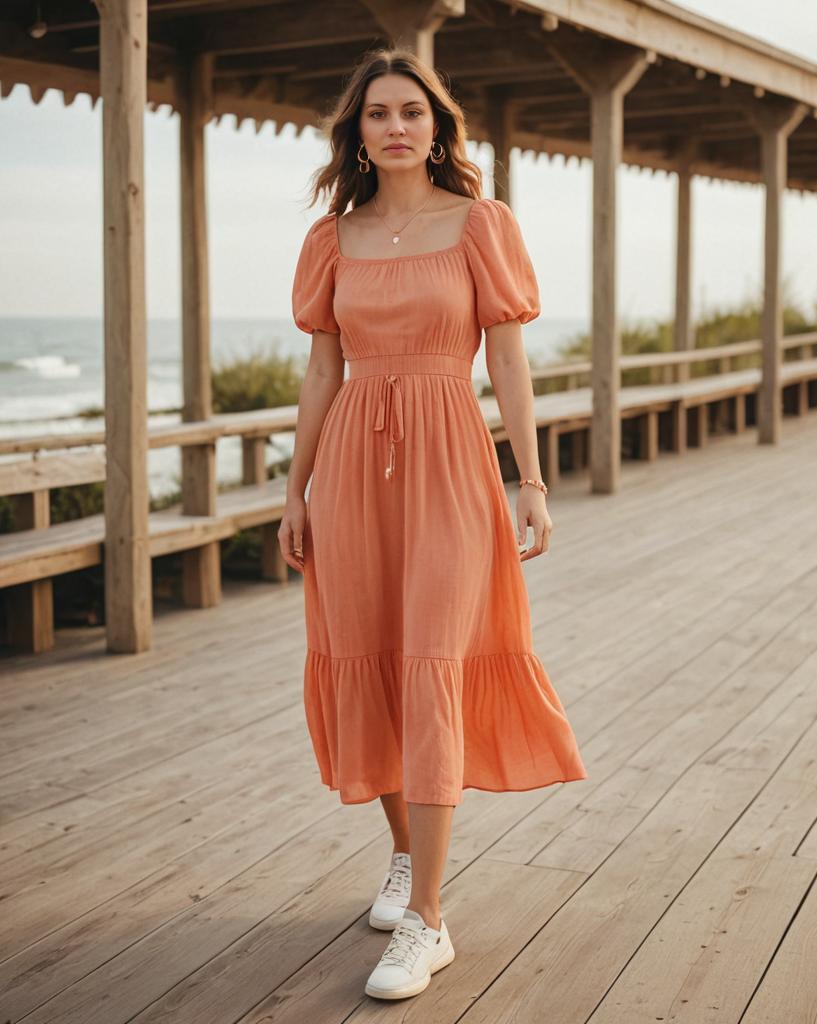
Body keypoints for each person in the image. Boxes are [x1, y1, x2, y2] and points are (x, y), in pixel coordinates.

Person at [278, 46, 588, 1002]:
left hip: (452, 461)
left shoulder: (481, 225)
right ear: (357, 133)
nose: (397, 127)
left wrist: (531, 480)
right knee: (367, 656)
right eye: (377, 114)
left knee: (433, 664)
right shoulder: (334, 238)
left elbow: (508, 364)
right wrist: (294, 490)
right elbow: (324, 375)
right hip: (350, 474)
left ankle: (429, 922)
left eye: (412, 111)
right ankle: (408, 857)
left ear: (438, 125)